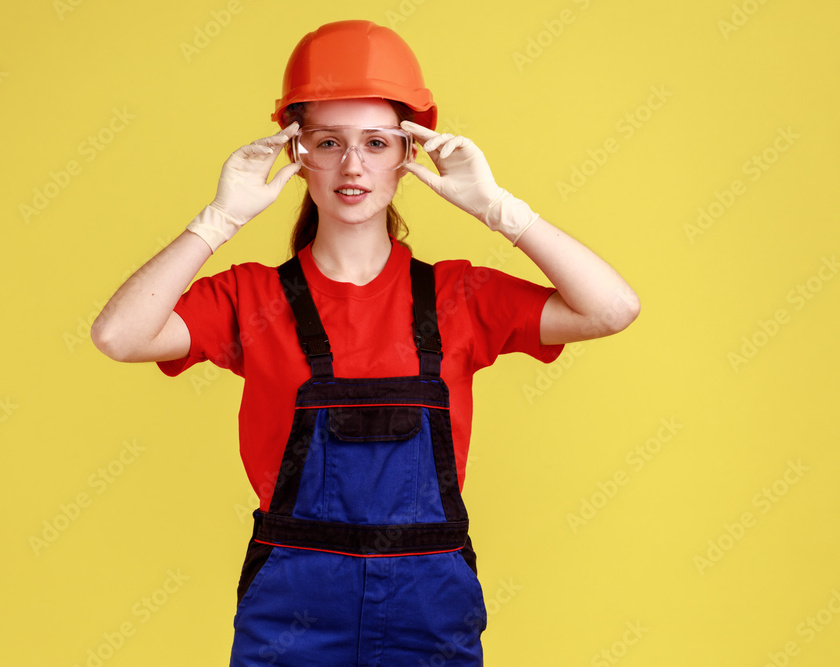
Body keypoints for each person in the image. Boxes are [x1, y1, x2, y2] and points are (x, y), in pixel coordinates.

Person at [91, 19, 639, 666]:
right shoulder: (252, 299)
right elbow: (118, 335)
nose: (352, 166)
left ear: (408, 157)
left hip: (428, 608)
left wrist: (499, 209)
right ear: (297, 155)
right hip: (292, 611)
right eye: (328, 142)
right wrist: (220, 220)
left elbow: (612, 308)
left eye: (377, 143)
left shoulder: (459, 298)